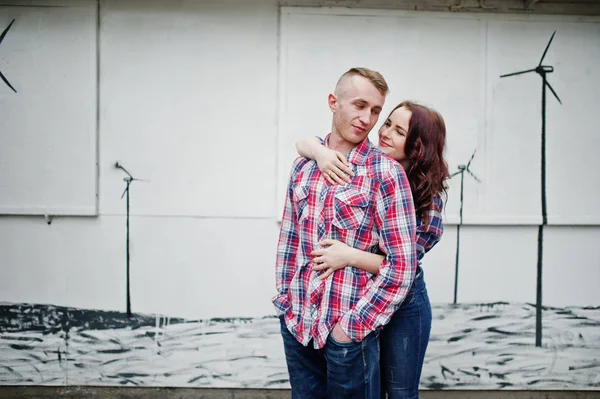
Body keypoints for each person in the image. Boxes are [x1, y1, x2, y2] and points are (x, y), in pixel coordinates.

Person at [273, 67, 418, 399]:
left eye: (376, 110)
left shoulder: (385, 173)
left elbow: (402, 266)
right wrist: (286, 302)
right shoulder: (304, 165)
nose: (367, 118)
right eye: (359, 105)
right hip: (299, 323)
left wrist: (351, 328)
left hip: (349, 331)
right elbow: (290, 241)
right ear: (333, 102)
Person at [295, 101, 449, 398]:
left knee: (401, 392)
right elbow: (303, 142)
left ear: (418, 145)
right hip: (363, 294)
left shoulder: (427, 199)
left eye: (399, 130)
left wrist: (348, 255)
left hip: (405, 303)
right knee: (369, 388)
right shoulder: (367, 166)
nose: (386, 132)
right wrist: (320, 152)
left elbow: (403, 265)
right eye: (388, 123)